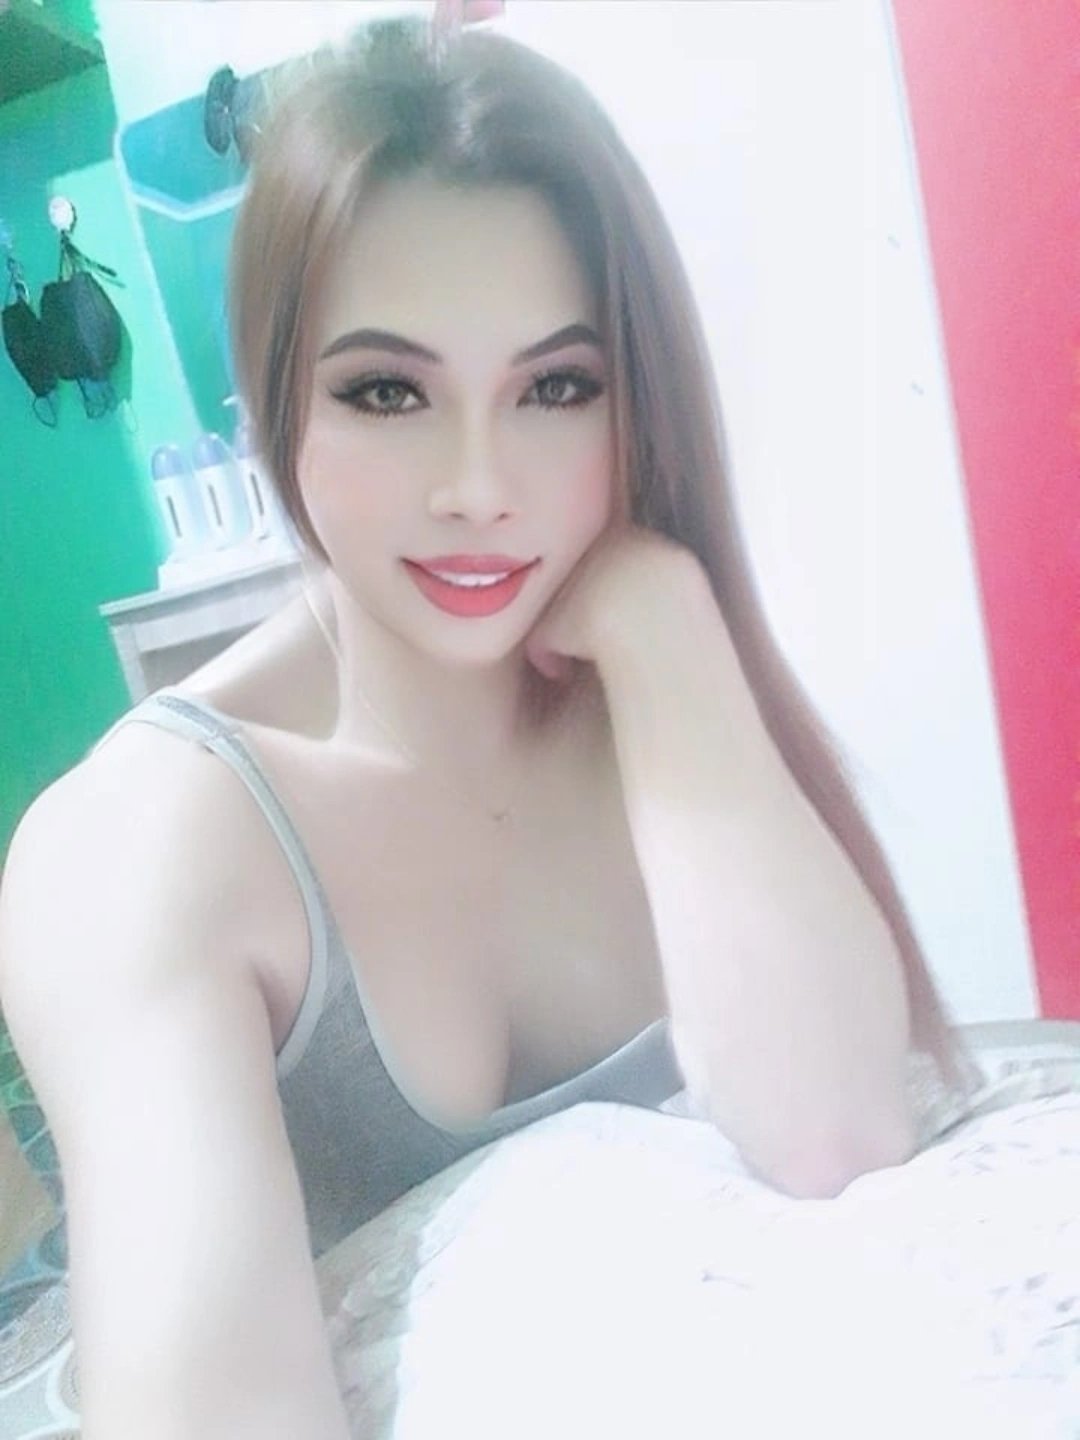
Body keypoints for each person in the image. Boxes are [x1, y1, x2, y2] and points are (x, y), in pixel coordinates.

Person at [0, 15, 981, 1439]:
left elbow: (838, 1132)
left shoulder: (652, 689)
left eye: (556, 387)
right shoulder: (148, 845)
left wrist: (668, 630)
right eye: (388, 391)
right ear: (275, 398)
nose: (478, 485)